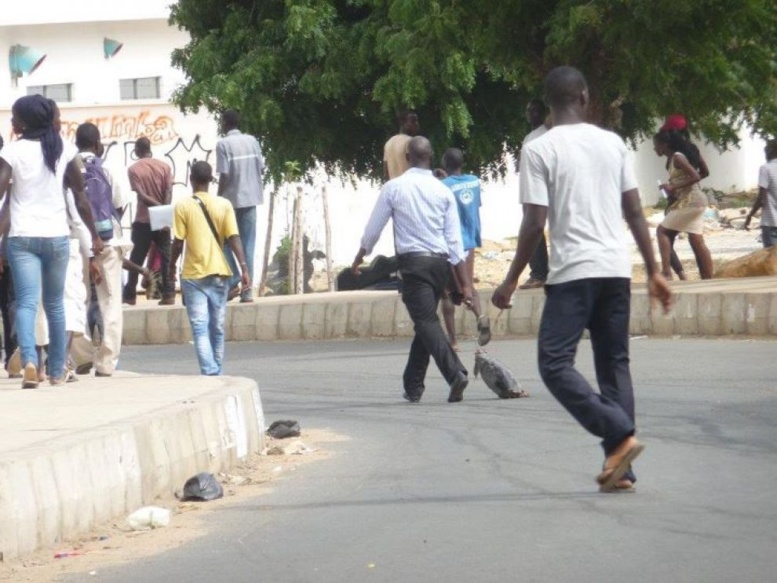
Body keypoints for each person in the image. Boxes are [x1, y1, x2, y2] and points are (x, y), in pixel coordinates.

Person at [492, 66, 673, 492]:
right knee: (614, 367)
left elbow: (534, 222)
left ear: (548, 105)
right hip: (614, 270)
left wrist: (511, 279)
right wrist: (654, 271)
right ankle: (620, 467)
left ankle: (619, 432)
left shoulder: (537, 148)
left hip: (574, 273)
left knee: (553, 364)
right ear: (585, 98)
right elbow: (634, 212)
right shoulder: (612, 144)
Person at [353, 136, 473, 404]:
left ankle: (455, 374)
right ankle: (413, 385)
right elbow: (455, 242)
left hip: (414, 266)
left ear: (407, 158)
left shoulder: (394, 188)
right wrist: (464, 284)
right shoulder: (443, 191)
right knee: (425, 322)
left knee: (426, 322)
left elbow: (373, 230)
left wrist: (360, 256)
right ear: (430, 156)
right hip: (440, 265)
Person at [0, 95, 103, 388]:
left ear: (25, 122)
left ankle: (31, 361)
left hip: (22, 237)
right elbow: (81, 198)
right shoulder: (66, 150)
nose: (12, 121)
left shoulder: (12, 151)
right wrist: (94, 234)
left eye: (15, 117)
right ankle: (57, 370)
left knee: (27, 303)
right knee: (56, 304)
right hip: (56, 236)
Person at [169, 161, 250, 375]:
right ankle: (217, 369)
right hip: (220, 273)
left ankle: (210, 370)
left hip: (193, 275)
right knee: (217, 327)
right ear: (211, 180)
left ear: (191, 180)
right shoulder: (224, 205)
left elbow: (177, 242)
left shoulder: (182, 206)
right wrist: (244, 268)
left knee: (199, 327)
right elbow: (234, 237)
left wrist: (170, 269)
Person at [69, 123, 128, 377]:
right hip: (108, 241)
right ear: (97, 143)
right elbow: (121, 202)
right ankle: (106, 362)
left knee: (78, 298)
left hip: (77, 240)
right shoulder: (109, 167)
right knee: (110, 300)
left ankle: (81, 354)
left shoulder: (68, 168)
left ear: (76, 143)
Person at [438, 147, 490, 350]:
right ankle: (480, 316)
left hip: (452, 243)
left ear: (444, 163)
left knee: (448, 292)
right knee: (468, 284)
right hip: (470, 241)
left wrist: (441, 180)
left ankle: (453, 341)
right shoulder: (475, 181)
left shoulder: (443, 186)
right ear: (461, 162)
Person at [215, 109, 265, 303]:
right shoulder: (252, 141)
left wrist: (218, 197)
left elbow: (224, 175)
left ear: (224, 123)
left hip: (230, 202)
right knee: (248, 245)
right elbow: (261, 168)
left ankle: (235, 276)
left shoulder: (223, 144)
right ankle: (247, 292)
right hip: (251, 199)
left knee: (223, 241)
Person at [653, 130, 714, 279]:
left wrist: (674, 187)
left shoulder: (677, 158)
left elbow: (695, 176)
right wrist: (675, 189)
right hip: (695, 200)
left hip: (691, 201)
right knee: (696, 240)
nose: (654, 149)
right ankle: (708, 278)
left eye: (655, 146)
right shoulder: (681, 156)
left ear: (663, 145)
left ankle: (667, 272)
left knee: (662, 231)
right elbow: (702, 173)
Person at [123, 137, 175, 305]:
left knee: (136, 257)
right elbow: (168, 191)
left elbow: (142, 196)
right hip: (163, 219)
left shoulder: (134, 169)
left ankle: (130, 295)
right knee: (167, 257)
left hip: (143, 220)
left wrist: (157, 207)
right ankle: (169, 294)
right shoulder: (165, 166)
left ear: (137, 150)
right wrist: (163, 210)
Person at [519, 99, 551, 290]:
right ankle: (539, 272)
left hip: (539, 191)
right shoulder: (530, 137)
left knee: (533, 228)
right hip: (530, 190)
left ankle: (539, 274)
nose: (532, 114)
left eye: (536, 110)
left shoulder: (544, 135)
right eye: (529, 110)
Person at [744, 139, 777, 247]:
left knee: (772, 261)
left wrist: (750, 216)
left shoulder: (765, 168)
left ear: (772, 151)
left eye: (766, 149)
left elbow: (761, 199)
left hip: (771, 222)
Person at [383, 110, 420, 181]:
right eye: (413, 121)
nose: (417, 124)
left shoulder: (388, 143)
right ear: (403, 123)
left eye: (417, 121)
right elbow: (416, 168)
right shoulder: (410, 141)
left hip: (394, 187)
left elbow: (386, 172)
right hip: (409, 185)